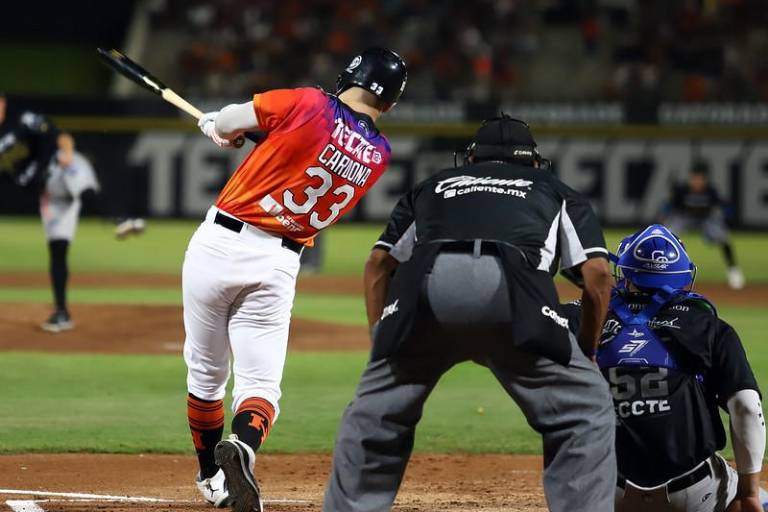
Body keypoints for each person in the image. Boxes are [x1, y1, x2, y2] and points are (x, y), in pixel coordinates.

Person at [322, 115, 616, 512]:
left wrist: (382, 344)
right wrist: (585, 352)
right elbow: (597, 277)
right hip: (514, 293)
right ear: (533, 162)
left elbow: (378, 264)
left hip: (427, 288)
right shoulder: (555, 189)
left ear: (472, 158)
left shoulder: (433, 185)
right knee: (586, 411)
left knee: (374, 415)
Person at [185, 48, 406, 512]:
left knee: (207, 376)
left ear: (352, 74)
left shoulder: (309, 102)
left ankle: (210, 477)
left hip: (220, 242)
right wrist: (256, 137)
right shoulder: (380, 153)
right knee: (261, 385)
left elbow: (230, 121)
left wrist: (216, 128)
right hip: (280, 261)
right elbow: (307, 150)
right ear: (390, 102)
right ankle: (243, 447)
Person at [563, 224, 765, 512]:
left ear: (626, 273)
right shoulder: (709, 327)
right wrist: (748, 493)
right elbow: (746, 406)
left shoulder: (581, 317)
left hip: (604, 492)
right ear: (682, 275)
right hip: (694, 495)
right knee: (757, 499)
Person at [39, 133, 101, 331]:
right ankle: (61, 310)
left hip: (62, 199)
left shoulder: (22, 122)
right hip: (48, 192)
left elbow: (63, 137)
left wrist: (66, 150)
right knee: (58, 250)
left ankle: (61, 311)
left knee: (58, 249)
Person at [662, 163, 744, 289]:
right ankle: (663, 272)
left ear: (704, 180)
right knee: (667, 238)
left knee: (724, 238)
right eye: (694, 179)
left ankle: (733, 271)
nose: (697, 182)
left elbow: (721, 206)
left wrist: (721, 222)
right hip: (685, 217)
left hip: (706, 219)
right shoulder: (682, 190)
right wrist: (666, 217)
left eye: (700, 179)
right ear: (690, 178)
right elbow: (671, 208)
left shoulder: (710, 190)